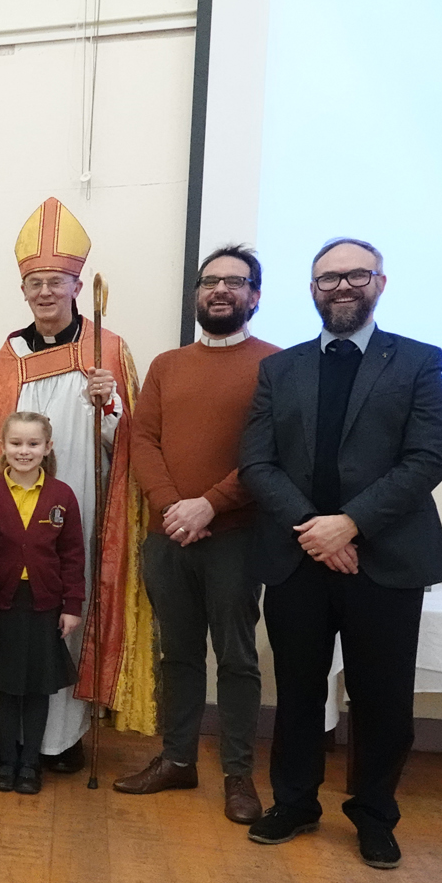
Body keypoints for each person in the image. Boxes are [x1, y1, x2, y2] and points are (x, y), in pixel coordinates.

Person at [239, 238, 442, 869]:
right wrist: (314, 527)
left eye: (356, 275)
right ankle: (296, 803)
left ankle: (375, 815)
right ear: (311, 290)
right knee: (299, 690)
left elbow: (426, 460)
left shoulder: (417, 361)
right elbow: (256, 461)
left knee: (382, 695)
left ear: (379, 283)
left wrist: (350, 524)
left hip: (385, 558)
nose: (341, 287)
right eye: (327, 278)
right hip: (297, 555)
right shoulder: (281, 369)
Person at [0, 196, 155, 769]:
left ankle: (61, 740)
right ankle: (11, 740)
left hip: (82, 507)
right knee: (13, 623)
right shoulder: (11, 352)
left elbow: (131, 442)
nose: (45, 292)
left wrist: (112, 403)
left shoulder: (108, 349)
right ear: (23, 290)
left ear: (77, 285)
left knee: (67, 619)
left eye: (57, 281)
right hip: (13, 512)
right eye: (35, 283)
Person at [114, 246, 279, 823]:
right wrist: (172, 508)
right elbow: (142, 441)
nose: (220, 291)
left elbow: (271, 454)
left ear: (255, 295)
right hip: (168, 536)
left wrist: (209, 506)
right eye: (210, 281)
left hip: (236, 535)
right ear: (197, 295)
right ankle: (178, 760)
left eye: (235, 282)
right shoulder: (166, 365)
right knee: (175, 654)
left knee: (236, 659)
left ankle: (238, 775)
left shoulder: (276, 364)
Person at [0, 412, 84, 795]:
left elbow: (72, 554)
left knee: (37, 687)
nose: (24, 451)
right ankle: (6, 761)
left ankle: (31, 763)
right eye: (16, 444)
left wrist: (72, 604)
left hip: (44, 605)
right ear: (2, 447)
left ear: (47, 448)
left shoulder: (61, 495)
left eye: (33, 444)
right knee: (4, 687)